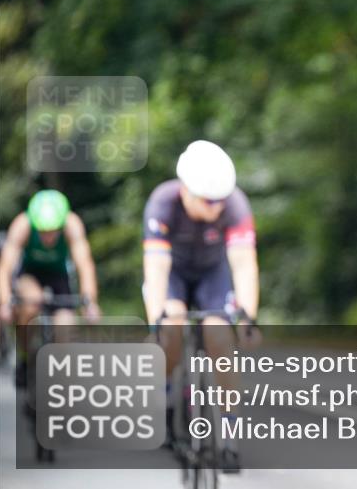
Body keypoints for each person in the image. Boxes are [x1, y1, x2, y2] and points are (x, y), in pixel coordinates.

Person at [142, 140, 258, 473]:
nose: (217, 208)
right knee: (171, 328)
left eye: (221, 200)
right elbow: (156, 268)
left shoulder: (235, 204)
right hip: (174, 273)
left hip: (212, 274)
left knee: (221, 337)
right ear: (186, 191)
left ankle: (230, 435)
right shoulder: (162, 202)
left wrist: (248, 318)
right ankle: (166, 396)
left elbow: (244, 264)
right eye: (209, 201)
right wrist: (156, 321)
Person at [0, 190, 101, 384]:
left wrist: (91, 302)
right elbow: (4, 268)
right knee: (31, 303)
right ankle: (25, 357)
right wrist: (5, 303)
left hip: (58, 276)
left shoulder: (72, 225)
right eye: (42, 231)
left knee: (66, 326)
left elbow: (85, 265)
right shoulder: (22, 225)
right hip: (29, 273)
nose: (48, 237)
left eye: (53, 231)